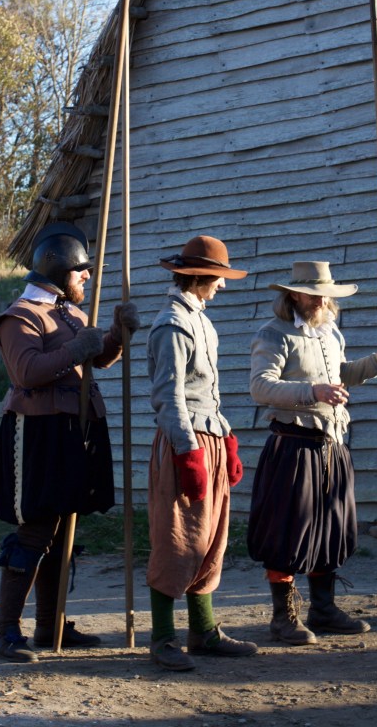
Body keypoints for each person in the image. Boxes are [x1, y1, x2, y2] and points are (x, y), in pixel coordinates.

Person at [0, 221, 140, 663]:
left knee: (61, 532)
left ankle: (49, 626)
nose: (87, 278)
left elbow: (98, 360)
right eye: (82, 271)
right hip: (37, 433)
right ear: (57, 270)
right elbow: (28, 373)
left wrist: (116, 335)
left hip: (76, 427)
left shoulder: (72, 314)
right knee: (36, 527)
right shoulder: (19, 317)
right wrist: (77, 350)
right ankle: (5, 633)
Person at [247, 261, 377, 645]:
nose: (321, 301)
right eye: (314, 295)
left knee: (329, 529)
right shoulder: (275, 334)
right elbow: (261, 387)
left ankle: (324, 608)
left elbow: (342, 374)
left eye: (325, 295)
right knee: (288, 532)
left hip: (332, 446)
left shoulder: (329, 332)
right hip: (294, 446)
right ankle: (283, 618)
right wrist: (312, 392)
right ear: (294, 294)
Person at [146, 235, 259, 671]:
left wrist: (225, 438)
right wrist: (188, 452)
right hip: (183, 443)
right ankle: (161, 638)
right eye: (218, 278)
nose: (222, 286)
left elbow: (208, 393)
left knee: (211, 536)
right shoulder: (171, 324)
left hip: (208, 439)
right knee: (178, 541)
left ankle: (203, 631)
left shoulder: (202, 322)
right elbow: (168, 397)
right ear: (200, 276)